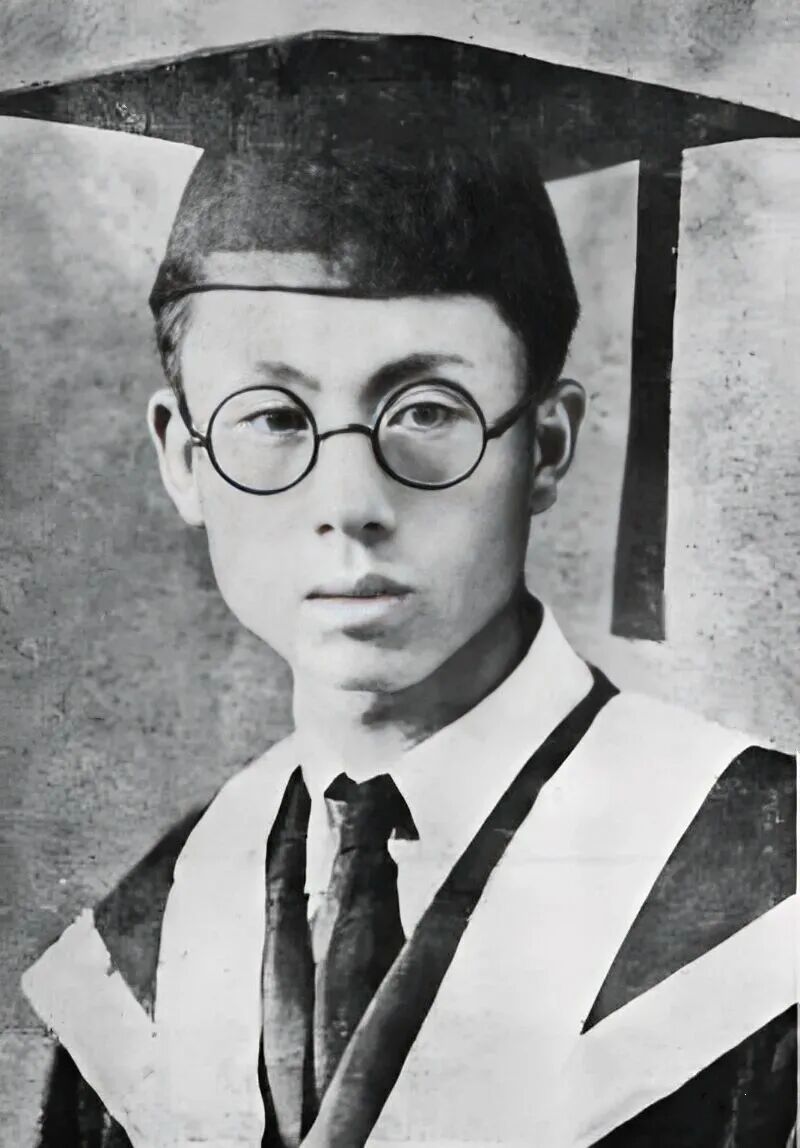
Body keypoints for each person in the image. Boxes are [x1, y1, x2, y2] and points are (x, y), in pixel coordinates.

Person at [21, 33, 796, 1148]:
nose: (350, 502)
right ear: (183, 460)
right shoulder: (149, 951)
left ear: (545, 445)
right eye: (272, 417)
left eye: (426, 411)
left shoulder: (761, 896)